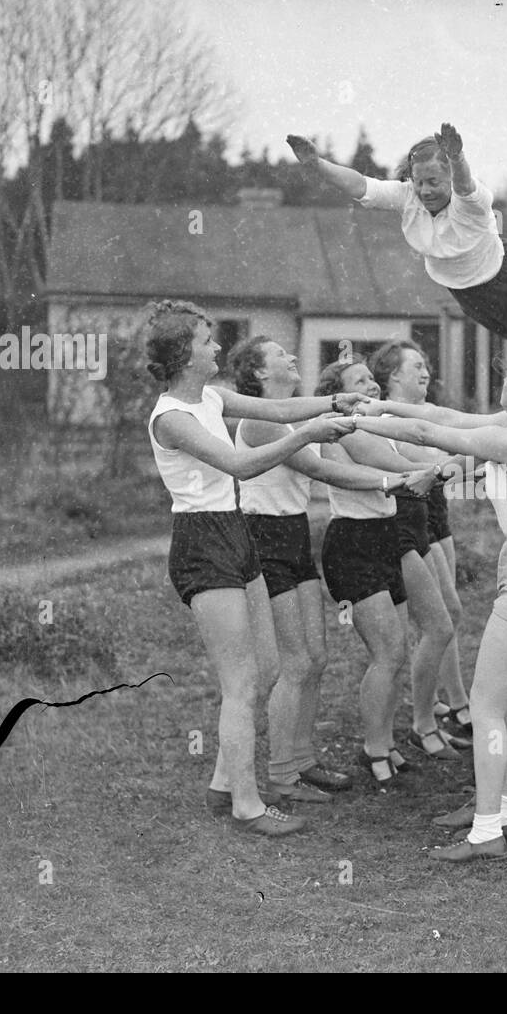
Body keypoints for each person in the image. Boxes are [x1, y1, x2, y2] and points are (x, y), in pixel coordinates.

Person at [344, 348, 507, 861]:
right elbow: (441, 419)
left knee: (485, 704)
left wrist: (369, 416)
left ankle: (486, 832)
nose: (501, 382)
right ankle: (504, 811)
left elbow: (432, 432)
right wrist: (416, 441)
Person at [142, 300, 362, 837]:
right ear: (182, 354)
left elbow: (280, 411)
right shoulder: (171, 417)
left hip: (235, 532)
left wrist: (334, 401)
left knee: (265, 667)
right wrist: (311, 435)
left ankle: (224, 782)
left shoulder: (213, 396)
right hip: (201, 542)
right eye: (205, 340)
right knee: (240, 682)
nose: (216, 347)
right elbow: (239, 463)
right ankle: (246, 803)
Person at [226, 337, 434, 805]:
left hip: (295, 534)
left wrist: (402, 472)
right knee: (295, 662)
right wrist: (393, 481)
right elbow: (322, 473)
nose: (292, 357)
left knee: (316, 658)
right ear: (259, 374)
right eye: (280, 354)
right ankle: (281, 775)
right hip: (265, 539)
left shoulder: (293, 414)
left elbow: (337, 462)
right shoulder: (260, 419)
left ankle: (302, 762)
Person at [287, 124, 507, 346]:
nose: (425, 190)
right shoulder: (408, 196)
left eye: (434, 182)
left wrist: (458, 158)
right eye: (419, 181)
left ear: (450, 177)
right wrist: (318, 165)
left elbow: (464, 185)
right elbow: (360, 186)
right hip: (469, 295)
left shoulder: (471, 203)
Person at [313, 358, 447, 785]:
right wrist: (441, 467)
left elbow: (417, 450)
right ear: (340, 393)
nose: (371, 385)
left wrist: (454, 458)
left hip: (386, 536)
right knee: (386, 651)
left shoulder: (378, 424)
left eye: (372, 377)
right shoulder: (348, 428)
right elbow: (392, 465)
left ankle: (385, 743)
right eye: (359, 380)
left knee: (396, 651)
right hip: (353, 544)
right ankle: (373, 751)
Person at [366, 341, 468, 761]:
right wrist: (452, 456)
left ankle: (442, 707)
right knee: (437, 624)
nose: (426, 372)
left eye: (427, 365)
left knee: (448, 615)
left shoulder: (419, 414)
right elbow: (430, 456)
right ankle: (426, 719)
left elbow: (444, 453)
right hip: (400, 525)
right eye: (417, 367)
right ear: (393, 376)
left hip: (425, 515)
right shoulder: (386, 418)